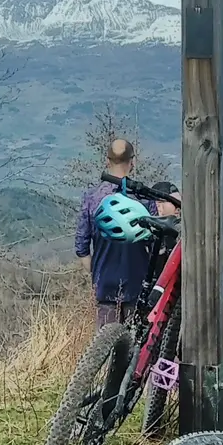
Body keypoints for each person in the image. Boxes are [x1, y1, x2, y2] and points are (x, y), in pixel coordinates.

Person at [74, 138, 151, 327]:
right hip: (137, 284)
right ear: (132, 162)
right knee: (136, 349)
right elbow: (154, 242)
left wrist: (97, 273)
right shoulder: (143, 199)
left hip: (105, 285)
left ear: (107, 161)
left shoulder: (92, 198)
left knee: (106, 347)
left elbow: (82, 247)